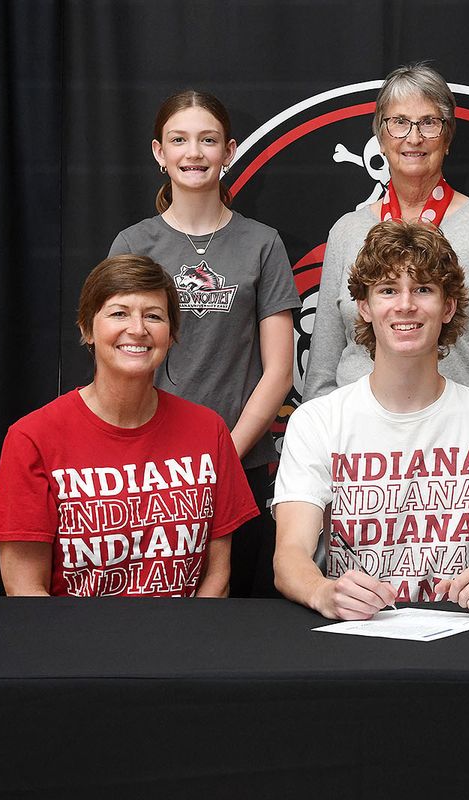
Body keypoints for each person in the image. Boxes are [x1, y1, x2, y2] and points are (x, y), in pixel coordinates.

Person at [273, 220, 469, 620]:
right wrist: (323, 592)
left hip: (467, 635)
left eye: (423, 289)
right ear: (365, 307)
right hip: (354, 636)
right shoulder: (317, 422)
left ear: (449, 306)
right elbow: (289, 555)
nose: (405, 305)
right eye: (388, 290)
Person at [109, 90, 300, 597]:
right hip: (151, 467)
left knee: (234, 616)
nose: (194, 152)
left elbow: (279, 370)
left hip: (240, 463)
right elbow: (118, 357)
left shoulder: (264, 243)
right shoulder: (132, 245)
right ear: (159, 153)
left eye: (208, 140)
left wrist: (222, 458)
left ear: (229, 151)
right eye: (180, 140)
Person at [0, 254, 260, 596]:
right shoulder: (32, 438)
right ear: (87, 328)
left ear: (172, 334)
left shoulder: (209, 431)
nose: (138, 329)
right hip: (73, 643)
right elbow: (24, 590)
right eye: (119, 313)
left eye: (154, 316)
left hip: (186, 640)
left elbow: (217, 578)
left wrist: (190, 643)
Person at [304, 63, 469, 426]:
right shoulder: (347, 232)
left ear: (448, 137)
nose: (413, 138)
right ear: (380, 137)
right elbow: (321, 372)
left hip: (463, 446)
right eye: (399, 123)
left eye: (429, 122)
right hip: (362, 447)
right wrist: (329, 444)